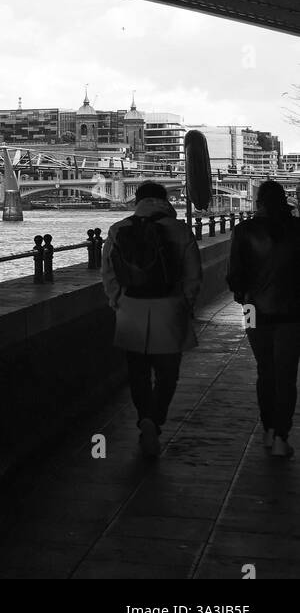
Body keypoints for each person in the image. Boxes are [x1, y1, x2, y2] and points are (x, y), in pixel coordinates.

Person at [101, 181, 202, 458]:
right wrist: (185, 303)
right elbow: (194, 274)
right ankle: (155, 419)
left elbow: (108, 271)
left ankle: (144, 416)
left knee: (138, 373)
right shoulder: (179, 229)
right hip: (169, 308)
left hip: (131, 309)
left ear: (137, 200)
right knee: (168, 373)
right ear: (165, 200)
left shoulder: (119, 229)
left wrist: (117, 300)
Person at [227, 180, 300, 459]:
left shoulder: (243, 231)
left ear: (259, 202)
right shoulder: (297, 229)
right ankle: (282, 435)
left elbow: (235, 275)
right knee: (286, 374)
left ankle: (268, 429)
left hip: (254, 309)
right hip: (293, 312)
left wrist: (244, 297)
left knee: (265, 370)